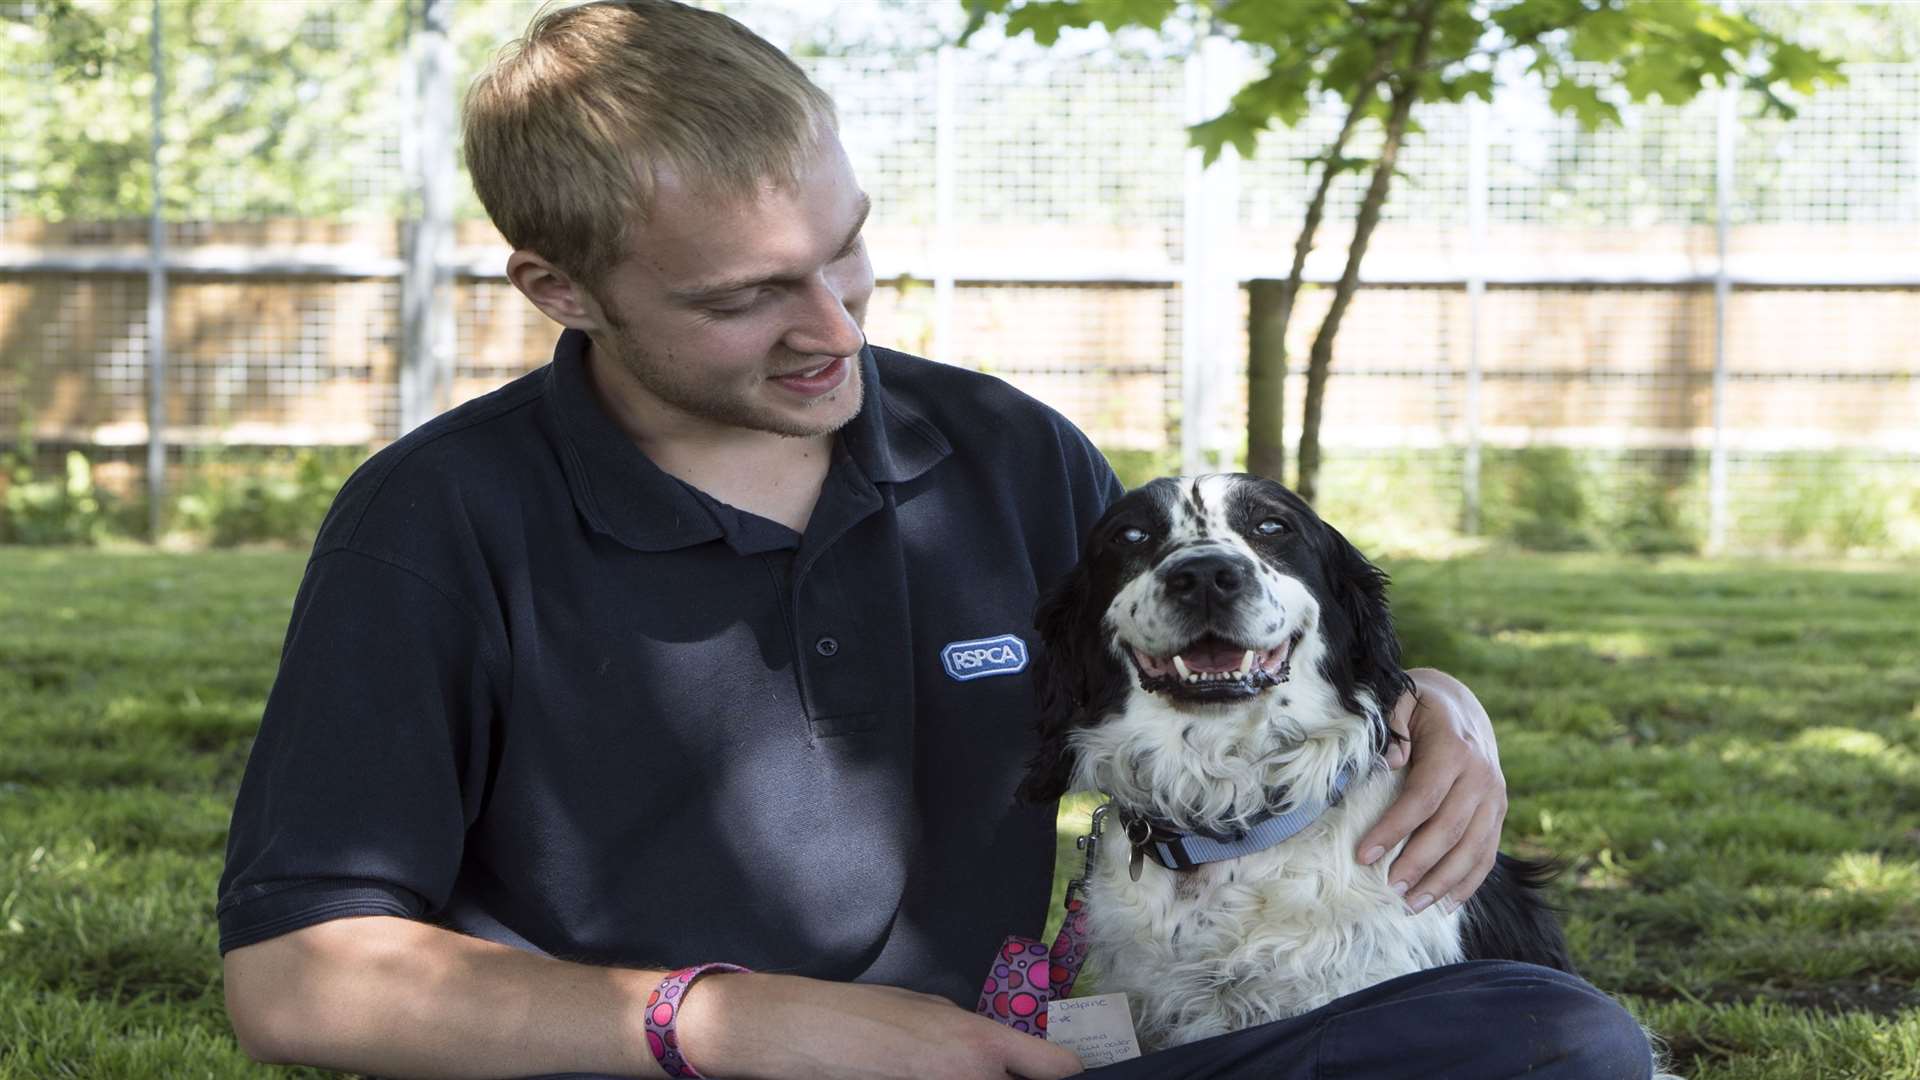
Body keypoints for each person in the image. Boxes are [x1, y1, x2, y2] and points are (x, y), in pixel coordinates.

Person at [217, 3, 1652, 1078]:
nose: (837, 328)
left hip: (997, 1063)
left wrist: (1432, 705)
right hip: (647, 1067)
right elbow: (292, 979)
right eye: (746, 297)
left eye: (846, 248)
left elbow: (1193, 665)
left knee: (1543, 1038)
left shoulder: (1012, 460)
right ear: (559, 286)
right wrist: (731, 1019)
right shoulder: (436, 522)